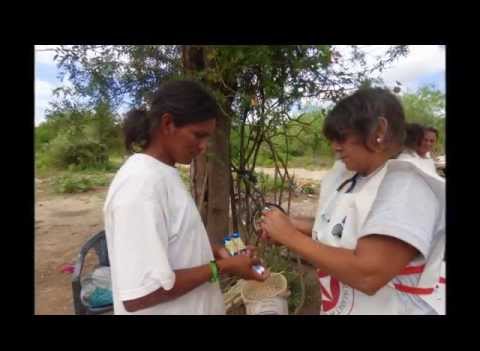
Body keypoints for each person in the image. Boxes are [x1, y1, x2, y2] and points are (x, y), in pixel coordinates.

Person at [259, 87, 445, 315]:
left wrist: (290, 236)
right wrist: (292, 226)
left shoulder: (409, 186)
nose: (335, 147)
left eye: (342, 138)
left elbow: (367, 274)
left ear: (379, 130)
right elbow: (346, 228)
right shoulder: (355, 175)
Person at [103, 80, 267, 315]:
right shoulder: (140, 186)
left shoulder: (163, 174)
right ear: (168, 123)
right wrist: (222, 267)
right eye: (198, 136)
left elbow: (174, 242)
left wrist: (218, 251)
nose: (203, 147)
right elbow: (140, 295)